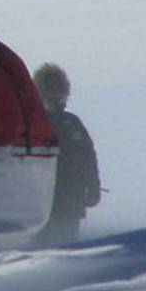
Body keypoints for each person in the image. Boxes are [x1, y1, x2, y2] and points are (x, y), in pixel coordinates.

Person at [32, 62, 101, 244]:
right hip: (43, 198)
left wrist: (93, 186)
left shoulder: (69, 123)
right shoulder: (34, 122)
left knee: (64, 242)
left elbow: (87, 156)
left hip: (67, 196)